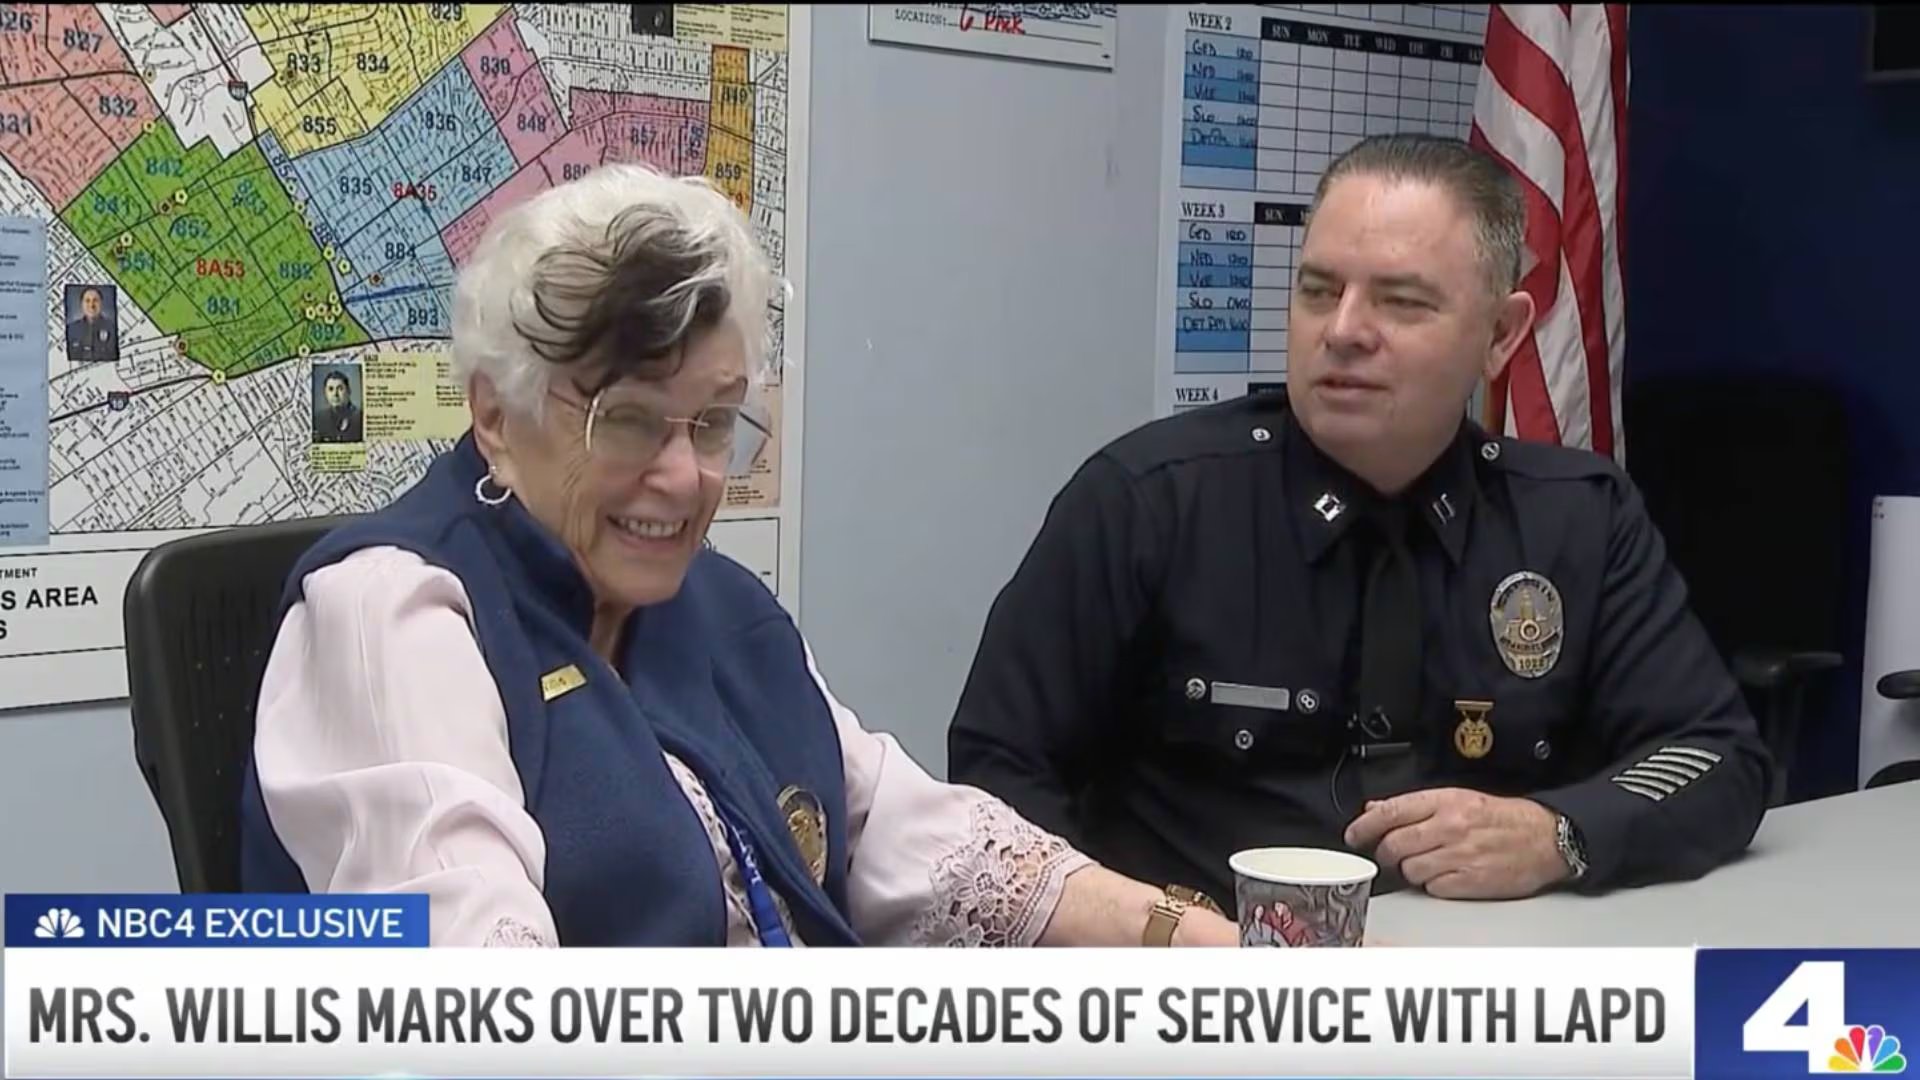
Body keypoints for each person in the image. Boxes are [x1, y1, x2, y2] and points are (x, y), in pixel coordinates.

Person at [238, 163, 1239, 949]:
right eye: (629, 421)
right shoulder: (392, 615)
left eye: (714, 424)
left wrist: (1198, 944)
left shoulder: (712, 604)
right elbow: (488, 991)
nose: (683, 478)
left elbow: (924, 846)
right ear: (496, 416)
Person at [948, 134, 1771, 908]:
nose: (1342, 332)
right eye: (1318, 291)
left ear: (1500, 335)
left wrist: (1559, 836)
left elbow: (1719, 757)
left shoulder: (1577, 521)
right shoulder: (1149, 500)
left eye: (1401, 301)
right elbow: (997, 780)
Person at [66, 287, 117, 362]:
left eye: (95, 300)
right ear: (82, 304)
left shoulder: (113, 328)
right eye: (87, 301)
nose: (91, 305)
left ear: (101, 303)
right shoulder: (71, 329)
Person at [313, 370, 363, 443]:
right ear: (325, 393)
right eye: (331, 389)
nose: (335, 394)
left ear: (348, 391)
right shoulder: (318, 419)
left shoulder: (360, 418)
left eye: (340, 389)